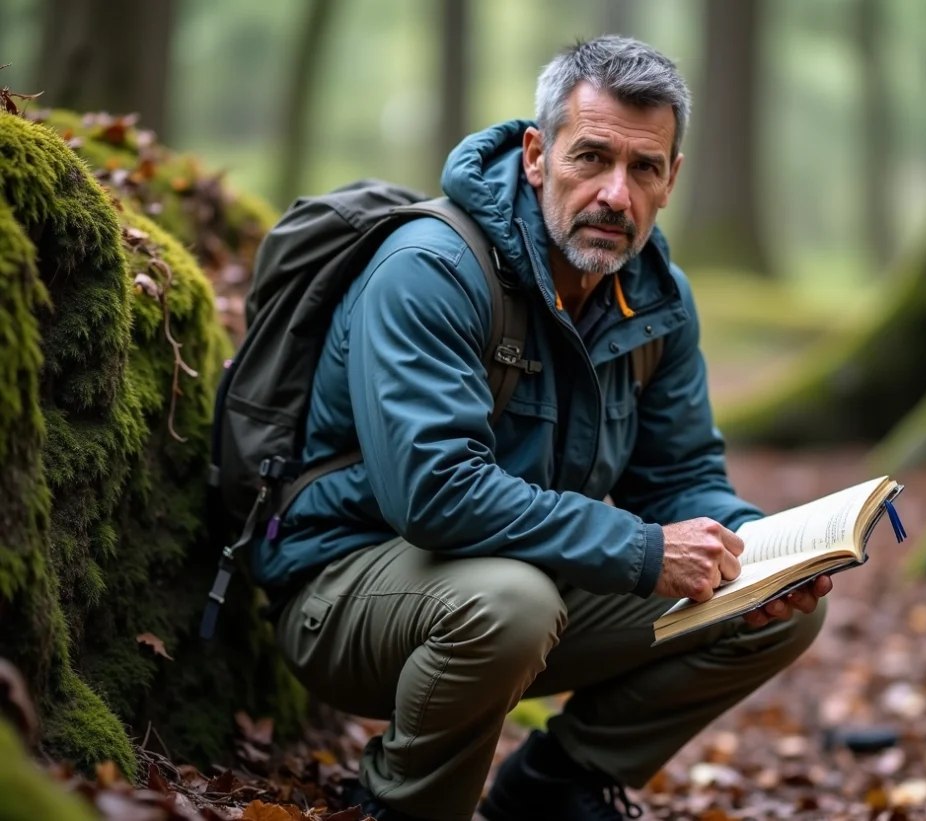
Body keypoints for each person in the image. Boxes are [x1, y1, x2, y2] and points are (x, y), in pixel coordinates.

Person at [254, 35, 832, 821]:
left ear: (673, 180)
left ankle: (556, 786)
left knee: (759, 608)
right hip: (348, 591)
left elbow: (680, 476)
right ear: (536, 154)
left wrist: (760, 551)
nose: (615, 196)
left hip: (529, 581)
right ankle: (403, 805)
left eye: (644, 168)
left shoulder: (659, 300)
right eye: (591, 158)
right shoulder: (431, 267)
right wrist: (640, 550)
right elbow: (434, 494)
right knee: (512, 604)